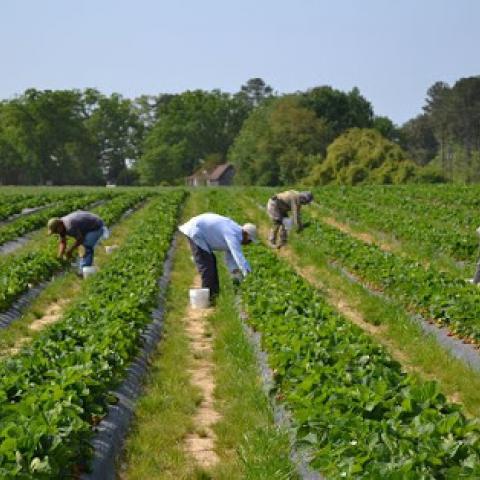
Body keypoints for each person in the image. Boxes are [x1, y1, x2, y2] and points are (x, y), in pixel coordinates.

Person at [179, 213, 257, 302]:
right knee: (207, 266)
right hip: (195, 231)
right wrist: (248, 275)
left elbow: (230, 258)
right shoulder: (233, 234)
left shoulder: (235, 233)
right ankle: (208, 299)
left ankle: (214, 295)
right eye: (249, 240)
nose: (248, 243)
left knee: (211, 262)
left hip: (198, 230)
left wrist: (235, 272)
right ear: (246, 234)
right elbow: (238, 257)